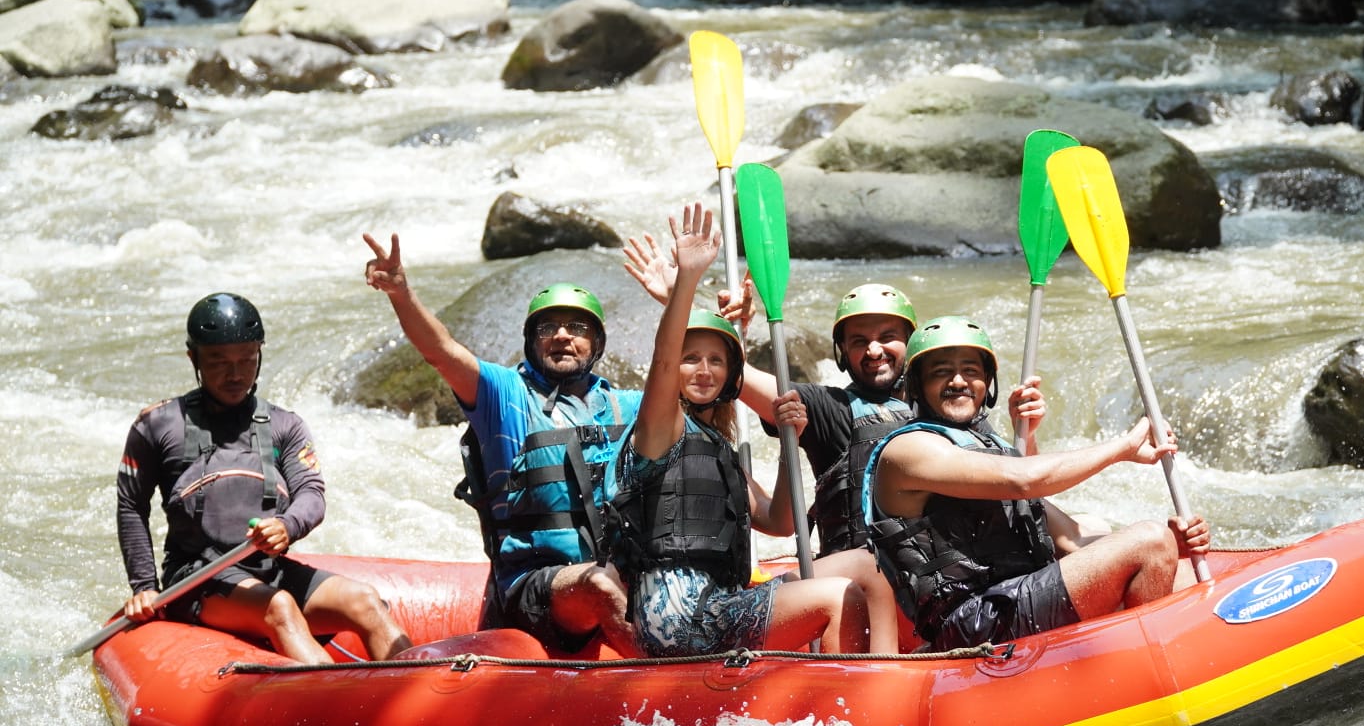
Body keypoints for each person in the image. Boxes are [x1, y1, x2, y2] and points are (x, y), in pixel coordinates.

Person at [624, 214, 1044, 653]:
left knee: (1080, 528)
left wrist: (1026, 433)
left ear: (913, 346)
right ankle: (882, 686)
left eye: (888, 336)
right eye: (859, 341)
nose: (875, 349)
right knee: (867, 569)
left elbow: (1019, 492)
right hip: (879, 583)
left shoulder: (950, 404)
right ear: (842, 354)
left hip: (957, 578)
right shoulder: (830, 408)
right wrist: (691, 303)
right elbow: (713, 371)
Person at [864, 314, 1210, 652]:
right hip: (970, 622)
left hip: (1008, 600)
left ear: (987, 383)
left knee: (1172, 563)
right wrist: (1123, 448)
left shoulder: (991, 449)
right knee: (1148, 540)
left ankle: (1136, 664)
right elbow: (1024, 481)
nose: (958, 381)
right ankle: (1142, 670)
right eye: (941, 372)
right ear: (915, 387)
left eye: (970, 371)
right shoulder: (907, 450)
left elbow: (1072, 539)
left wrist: (1173, 545)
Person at [362, 233, 640, 655]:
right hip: (536, 587)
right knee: (599, 584)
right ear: (531, 341)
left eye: (578, 328)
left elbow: (702, 384)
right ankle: (681, 691)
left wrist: (729, 325)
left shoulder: (627, 406)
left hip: (620, 571)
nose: (563, 336)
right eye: (548, 327)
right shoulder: (503, 394)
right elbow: (441, 351)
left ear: (597, 344)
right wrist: (401, 292)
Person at [608, 211, 868, 656]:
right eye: (693, 358)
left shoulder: (717, 449)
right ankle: (853, 707)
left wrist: (793, 440)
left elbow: (781, 520)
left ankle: (886, 674)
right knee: (839, 596)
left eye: (716, 360)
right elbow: (664, 364)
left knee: (864, 567)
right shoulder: (661, 430)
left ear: (732, 373)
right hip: (676, 617)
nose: (704, 370)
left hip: (720, 604)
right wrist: (686, 283)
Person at [116, 292, 412, 664]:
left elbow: (311, 493)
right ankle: (335, 704)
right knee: (281, 608)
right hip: (197, 581)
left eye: (247, 359)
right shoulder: (157, 425)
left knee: (365, 601)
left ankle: (418, 702)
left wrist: (287, 526)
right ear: (194, 358)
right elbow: (131, 505)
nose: (236, 374)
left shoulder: (285, 425)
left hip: (266, 570)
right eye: (219, 361)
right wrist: (144, 587)